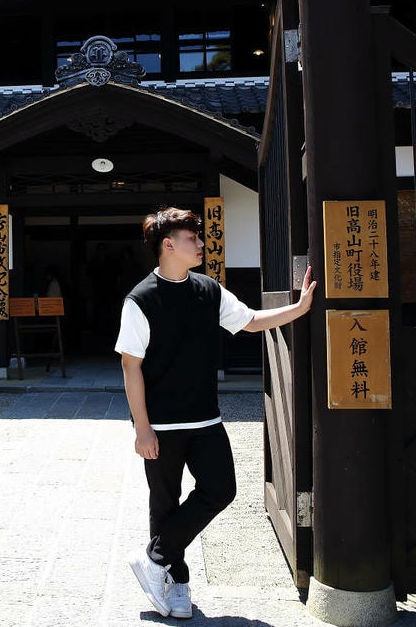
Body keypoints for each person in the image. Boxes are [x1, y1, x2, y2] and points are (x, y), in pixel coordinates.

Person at [116, 206, 315, 619]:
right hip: (163, 425)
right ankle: (175, 584)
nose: (201, 244)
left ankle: (152, 559)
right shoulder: (140, 300)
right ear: (168, 245)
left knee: (221, 489)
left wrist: (298, 309)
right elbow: (130, 366)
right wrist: (142, 429)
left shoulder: (208, 290)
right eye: (193, 239)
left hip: (206, 419)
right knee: (165, 504)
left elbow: (250, 320)